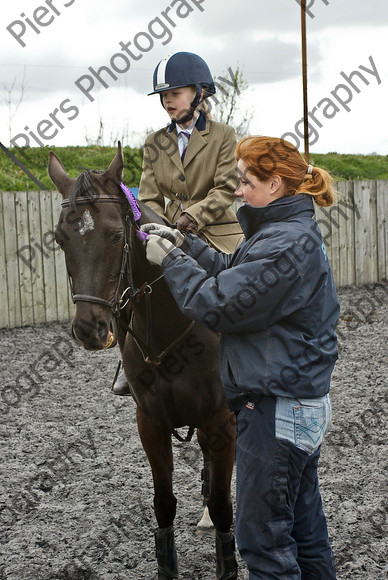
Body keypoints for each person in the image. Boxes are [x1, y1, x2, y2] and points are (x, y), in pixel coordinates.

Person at [140, 136, 339, 579]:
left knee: (264, 545)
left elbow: (219, 305)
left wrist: (171, 262)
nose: (237, 190)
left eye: (246, 181)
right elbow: (235, 272)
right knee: (304, 535)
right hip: (294, 403)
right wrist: (185, 245)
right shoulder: (281, 233)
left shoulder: (285, 244)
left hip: (276, 412)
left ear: (274, 185)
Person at [112, 51, 243, 395]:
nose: (168, 101)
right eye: (164, 96)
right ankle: (129, 361)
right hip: (169, 230)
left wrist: (193, 217)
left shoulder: (223, 135)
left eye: (175, 93)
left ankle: (241, 352)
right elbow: (150, 197)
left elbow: (225, 188)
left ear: (199, 93)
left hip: (217, 231)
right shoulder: (155, 142)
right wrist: (150, 227)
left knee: (232, 288)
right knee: (130, 286)